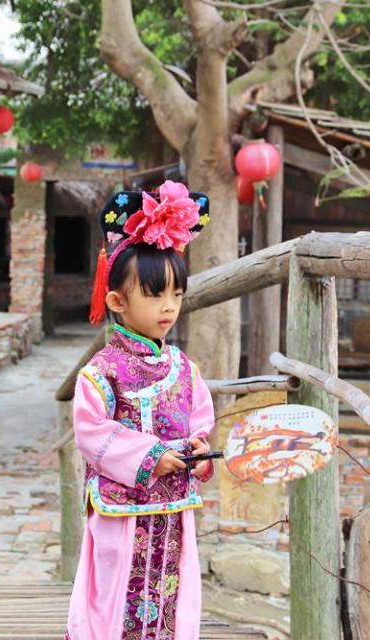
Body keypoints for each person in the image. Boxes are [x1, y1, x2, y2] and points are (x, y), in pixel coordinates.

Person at [64, 180, 216, 640]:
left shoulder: (183, 368)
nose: (168, 307)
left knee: (173, 589)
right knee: (115, 592)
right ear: (117, 301)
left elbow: (200, 419)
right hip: (121, 511)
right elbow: (91, 432)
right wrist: (150, 457)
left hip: (171, 508)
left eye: (176, 295)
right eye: (154, 295)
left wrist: (196, 446)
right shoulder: (102, 370)